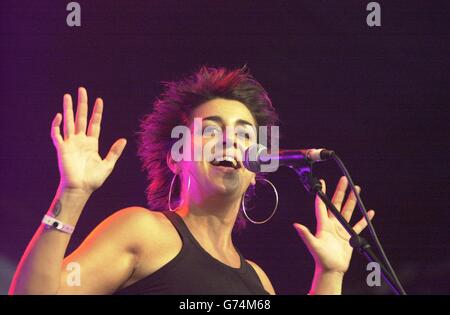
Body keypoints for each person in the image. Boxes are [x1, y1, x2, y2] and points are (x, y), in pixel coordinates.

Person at [9, 66, 375, 295]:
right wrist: (72, 193)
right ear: (177, 157)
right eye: (211, 131)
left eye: (245, 134)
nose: (232, 140)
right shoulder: (144, 231)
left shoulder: (259, 282)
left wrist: (330, 274)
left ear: (256, 171)